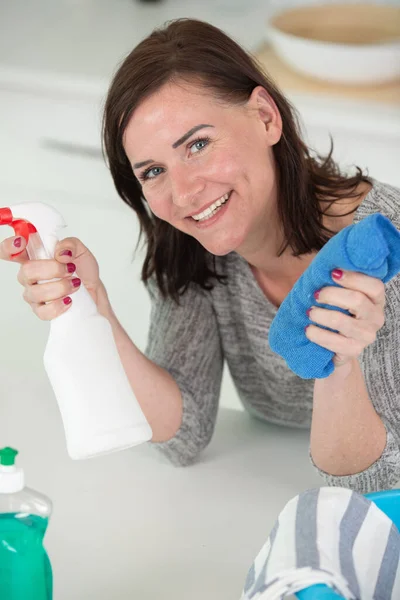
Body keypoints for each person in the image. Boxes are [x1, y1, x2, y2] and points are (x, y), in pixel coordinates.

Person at [1, 19, 399, 493]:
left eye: (198, 144)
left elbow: (378, 482)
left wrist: (340, 363)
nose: (184, 194)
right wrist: (93, 304)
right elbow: (181, 433)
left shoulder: (379, 248)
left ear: (266, 118)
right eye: (153, 171)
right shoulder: (197, 250)